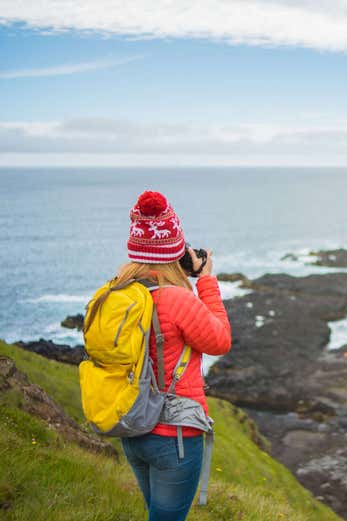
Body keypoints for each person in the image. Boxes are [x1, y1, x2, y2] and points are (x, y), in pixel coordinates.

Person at [117, 190, 231, 520]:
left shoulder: (120, 292)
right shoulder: (176, 300)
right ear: (174, 252)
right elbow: (220, 341)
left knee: (156, 513)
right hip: (174, 434)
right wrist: (206, 280)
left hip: (133, 426)